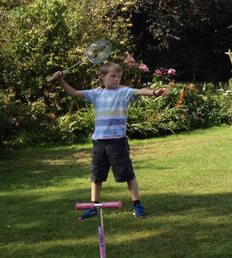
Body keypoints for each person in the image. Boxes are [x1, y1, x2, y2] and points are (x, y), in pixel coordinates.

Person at [50, 62, 165, 220]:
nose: (116, 79)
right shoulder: (96, 94)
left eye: (119, 77)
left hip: (117, 142)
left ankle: (137, 205)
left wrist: (154, 92)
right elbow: (74, 92)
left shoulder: (124, 92)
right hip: (99, 142)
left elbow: (139, 91)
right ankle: (93, 207)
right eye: (113, 76)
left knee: (127, 174)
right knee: (96, 176)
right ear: (102, 77)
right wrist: (60, 80)